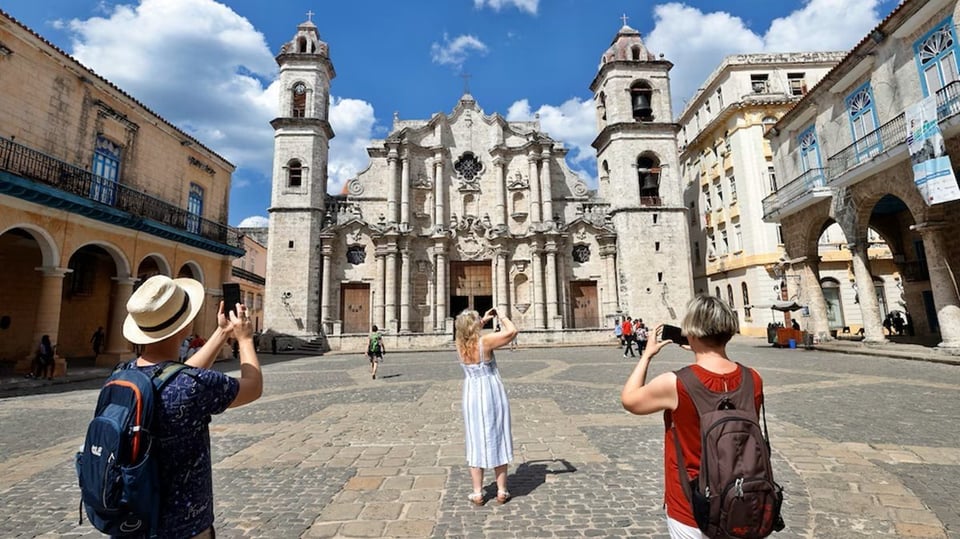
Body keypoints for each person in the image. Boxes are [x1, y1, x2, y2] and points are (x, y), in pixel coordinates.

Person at [121, 274, 262, 538]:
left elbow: (173, 375)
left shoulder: (123, 374)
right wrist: (244, 339)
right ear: (185, 329)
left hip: (131, 519)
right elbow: (252, 387)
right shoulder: (194, 386)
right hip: (183, 524)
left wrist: (221, 333)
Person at [620, 295, 764, 539]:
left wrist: (646, 356)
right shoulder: (753, 378)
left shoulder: (677, 383)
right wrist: (701, 349)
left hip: (690, 505)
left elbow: (630, 400)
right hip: (740, 499)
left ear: (691, 333)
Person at [456, 308, 517, 506]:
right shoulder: (485, 342)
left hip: (471, 395)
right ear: (476, 326)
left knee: (475, 441)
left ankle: (477, 492)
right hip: (491, 393)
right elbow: (512, 331)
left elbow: (468, 330)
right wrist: (502, 315)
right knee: (498, 436)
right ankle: (501, 491)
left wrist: (480, 320)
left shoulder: (460, 343)